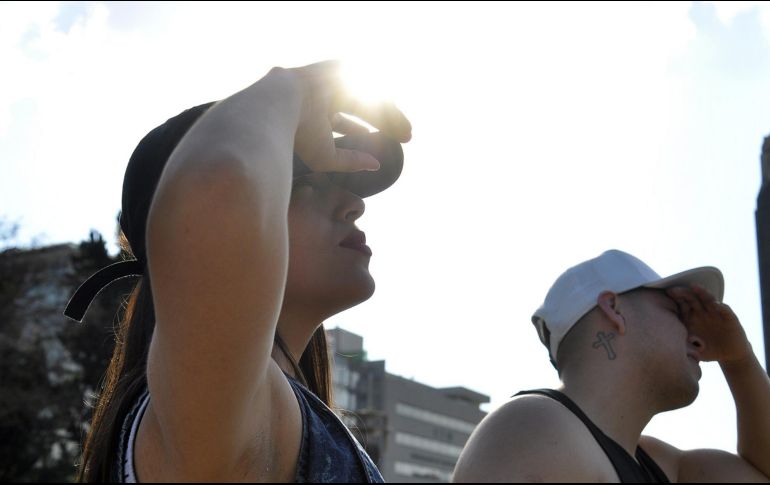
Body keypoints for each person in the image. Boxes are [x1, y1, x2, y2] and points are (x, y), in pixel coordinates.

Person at [64, 61, 412, 482]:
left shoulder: (276, 417)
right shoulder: (225, 416)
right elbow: (219, 183)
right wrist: (289, 89)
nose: (354, 205)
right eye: (300, 184)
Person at [453, 249, 770, 483]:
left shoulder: (660, 464)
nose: (699, 339)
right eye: (678, 312)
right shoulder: (535, 425)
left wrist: (739, 360)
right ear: (613, 309)